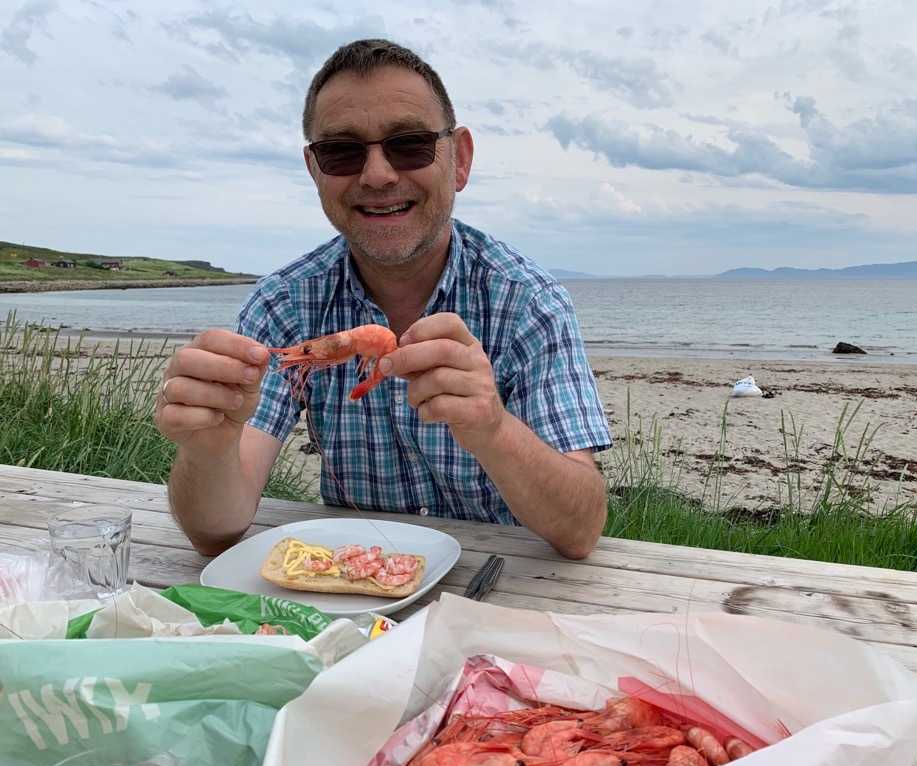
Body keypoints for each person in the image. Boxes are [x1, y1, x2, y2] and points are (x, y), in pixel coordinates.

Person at [154, 39, 611, 560]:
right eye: (342, 151)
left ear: (459, 160)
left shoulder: (529, 301)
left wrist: (492, 427)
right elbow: (215, 533)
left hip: (500, 585)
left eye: (409, 144)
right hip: (352, 586)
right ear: (315, 170)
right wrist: (209, 446)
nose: (377, 175)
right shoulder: (284, 302)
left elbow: (580, 529)